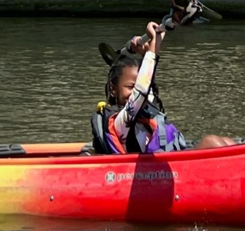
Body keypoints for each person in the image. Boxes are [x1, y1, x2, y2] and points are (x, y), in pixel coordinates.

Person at [92, 21, 235, 154]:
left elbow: (147, 84)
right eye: (130, 87)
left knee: (228, 142)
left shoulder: (146, 108)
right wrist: (152, 48)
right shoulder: (121, 121)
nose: (134, 92)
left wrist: (153, 46)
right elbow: (141, 90)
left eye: (136, 87)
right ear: (113, 89)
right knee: (212, 142)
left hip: (172, 166)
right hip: (151, 174)